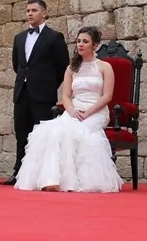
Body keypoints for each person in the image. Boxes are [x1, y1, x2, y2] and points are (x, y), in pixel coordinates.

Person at [14, 26, 123, 193]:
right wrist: (71, 110)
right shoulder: (72, 68)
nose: (80, 44)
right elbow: (65, 95)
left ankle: (77, 181)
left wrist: (88, 112)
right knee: (55, 132)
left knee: (78, 132)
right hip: (74, 110)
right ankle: (52, 180)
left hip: (96, 111)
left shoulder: (105, 67)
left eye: (85, 42)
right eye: (78, 41)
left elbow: (107, 96)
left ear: (94, 45)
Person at [1, 0, 70, 186]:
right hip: (22, 92)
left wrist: (47, 85)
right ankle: (18, 172)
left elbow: (62, 66)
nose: (29, 13)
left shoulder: (55, 37)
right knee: (21, 133)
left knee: (42, 135)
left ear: (44, 13)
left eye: (34, 10)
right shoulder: (19, 38)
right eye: (27, 11)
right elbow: (17, 64)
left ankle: (44, 174)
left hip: (43, 94)